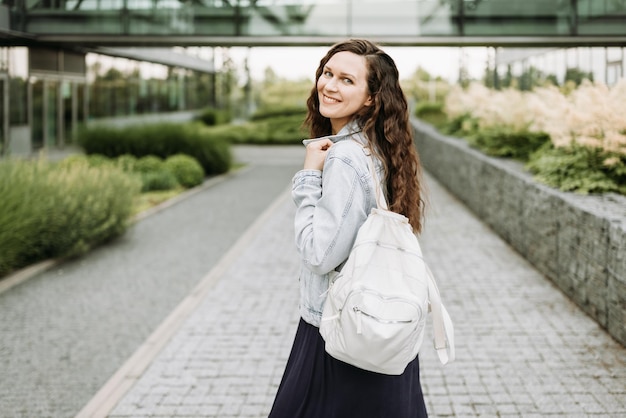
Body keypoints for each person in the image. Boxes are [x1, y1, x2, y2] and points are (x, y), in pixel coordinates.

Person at [268, 39, 428, 418]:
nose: (330, 85)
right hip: (375, 330)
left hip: (339, 337)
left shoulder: (345, 156)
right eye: (327, 73)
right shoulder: (379, 145)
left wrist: (308, 177)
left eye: (346, 80)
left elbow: (318, 254)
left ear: (372, 98)